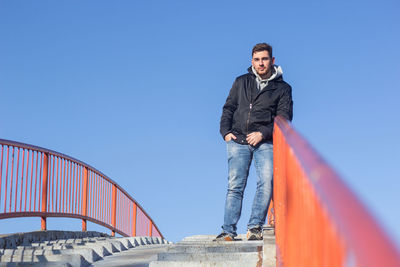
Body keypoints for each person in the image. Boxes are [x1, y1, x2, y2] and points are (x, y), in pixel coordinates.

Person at [215, 43, 293, 241]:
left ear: (272, 61)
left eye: (265, 59)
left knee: (266, 182)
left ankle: (255, 227)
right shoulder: (241, 82)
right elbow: (229, 108)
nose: (261, 63)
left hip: (264, 142)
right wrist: (225, 132)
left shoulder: (283, 88)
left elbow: (283, 118)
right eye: (257, 60)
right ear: (252, 62)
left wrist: (263, 133)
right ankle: (228, 231)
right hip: (238, 140)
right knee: (235, 186)